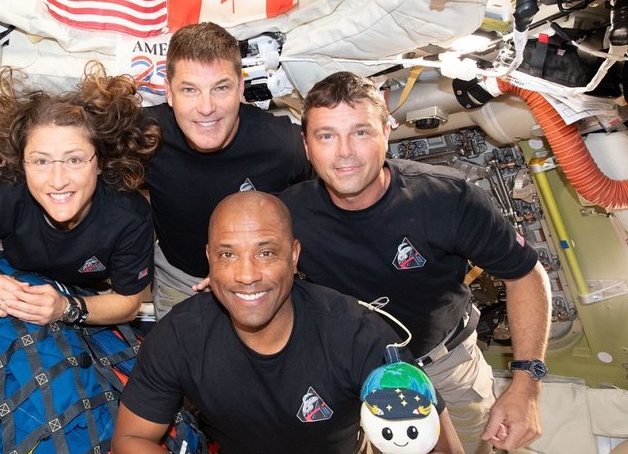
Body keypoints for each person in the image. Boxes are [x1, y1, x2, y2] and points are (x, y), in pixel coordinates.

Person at [279, 71, 552, 454]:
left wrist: (526, 385)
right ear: (307, 147)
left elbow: (525, 274)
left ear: (386, 132)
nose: (344, 152)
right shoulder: (287, 214)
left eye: (360, 132)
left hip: (447, 367)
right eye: (326, 136)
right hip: (355, 373)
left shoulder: (447, 198)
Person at [112, 191, 463, 454]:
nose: (246, 275)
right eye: (228, 254)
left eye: (266, 253)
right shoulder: (179, 335)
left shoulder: (359, 334)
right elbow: (131, 437)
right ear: (209, 259)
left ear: (293, 257)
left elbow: (438, 447)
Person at [0, 61, 159, 326]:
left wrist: (66, 308)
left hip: (85, 295)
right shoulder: (2, 190)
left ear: (101, 162)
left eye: (74, 160)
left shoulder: (129, 215)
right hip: (10, 279)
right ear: (21, 165)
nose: (58, 181)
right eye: (40, 161)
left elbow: (128, 303)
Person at [143, 21, 314, 319]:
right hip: (181, 280)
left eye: (220, 88)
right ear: (169, 93)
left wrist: (282, 264)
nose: (206, 107)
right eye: (189, 90)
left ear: (240, 88)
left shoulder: (282, 144)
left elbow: (325, 204)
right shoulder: (143, 136)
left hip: (259, 280)